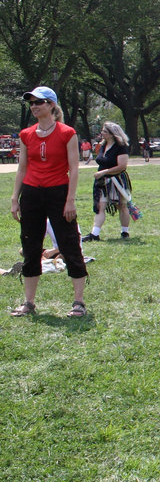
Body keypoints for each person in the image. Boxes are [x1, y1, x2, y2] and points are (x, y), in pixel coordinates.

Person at [9, 86, 89, 318]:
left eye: (39, 102)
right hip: (32, 194)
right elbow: (22, 167)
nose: (34, 106)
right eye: (32, 102)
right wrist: (15, 198)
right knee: (31, 246)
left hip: (58, 193)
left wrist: (70, 200)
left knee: (69, 243)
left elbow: (74, 168)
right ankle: (29, 303)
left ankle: (78, 302)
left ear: (51, 105)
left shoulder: (67, 133)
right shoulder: (26, 134)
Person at [82, 121, 132, 242]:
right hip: (102, 182)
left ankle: (125, 232)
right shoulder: (103, 145)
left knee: (122, 206)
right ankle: (94, 234)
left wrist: (104, 172)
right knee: (100, 206)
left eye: (104, 131)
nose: (102, 133)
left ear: (111, 134)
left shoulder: (121, 146)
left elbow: (122, 166)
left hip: (117, 180)